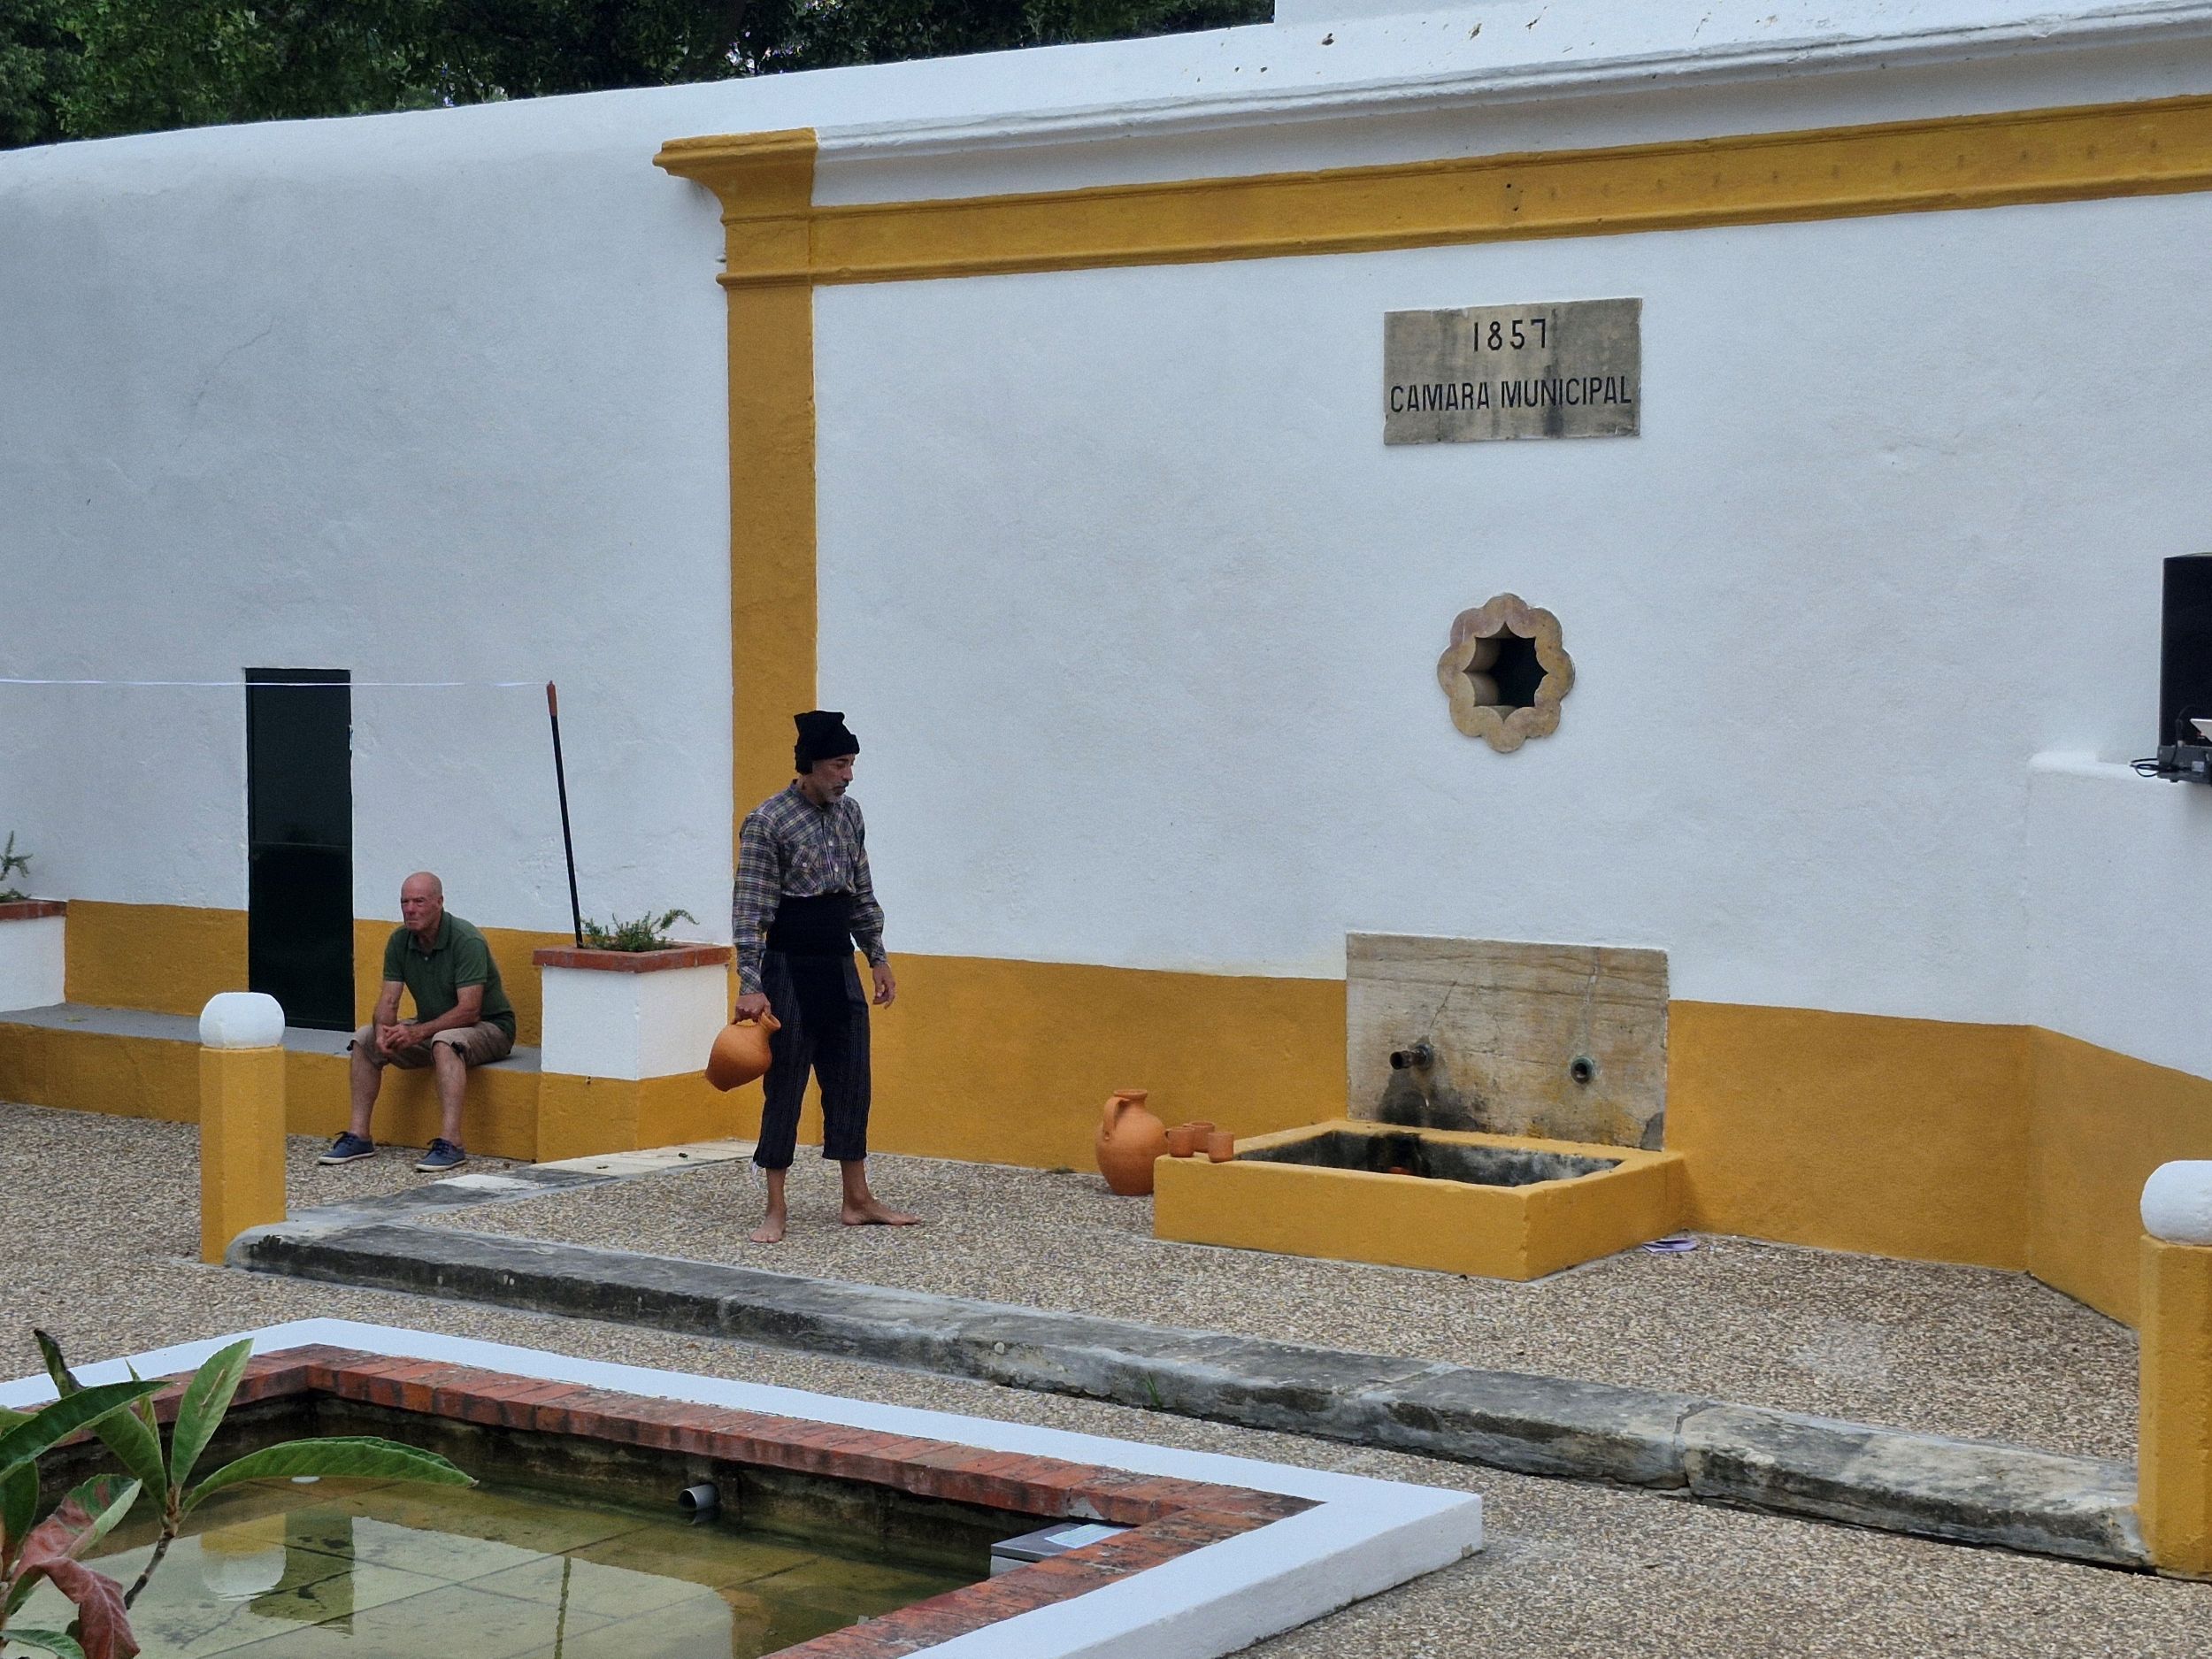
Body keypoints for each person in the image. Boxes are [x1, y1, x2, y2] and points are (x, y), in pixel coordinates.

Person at [732, 710, 918, 1242]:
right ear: (811, 764)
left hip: (839, 964)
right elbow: (750, 910)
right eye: (839, 764)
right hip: (788, 967)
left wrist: (876, 956)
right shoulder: (767, 821)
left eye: (851, 763)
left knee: (852, 1080)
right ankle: (775, 1208)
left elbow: (861, 891)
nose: (848, 775)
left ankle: (857, 1199)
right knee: (785, 1085)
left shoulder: (850, 814)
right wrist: (751, 984)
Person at [319, 871, 517, 1172]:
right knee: (364, 1038)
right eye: (405, 902)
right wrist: (383, 1032)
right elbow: (389, 1000)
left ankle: (451, 1144)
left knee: (445, 1042)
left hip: (490, 1027)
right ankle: (359, 1136)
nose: (410, 909)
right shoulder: (400, 941)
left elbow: (470, 1010)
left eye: (419, 901)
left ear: (439, 902)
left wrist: (417, 1033)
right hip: (434, 1024)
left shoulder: (466, 940)